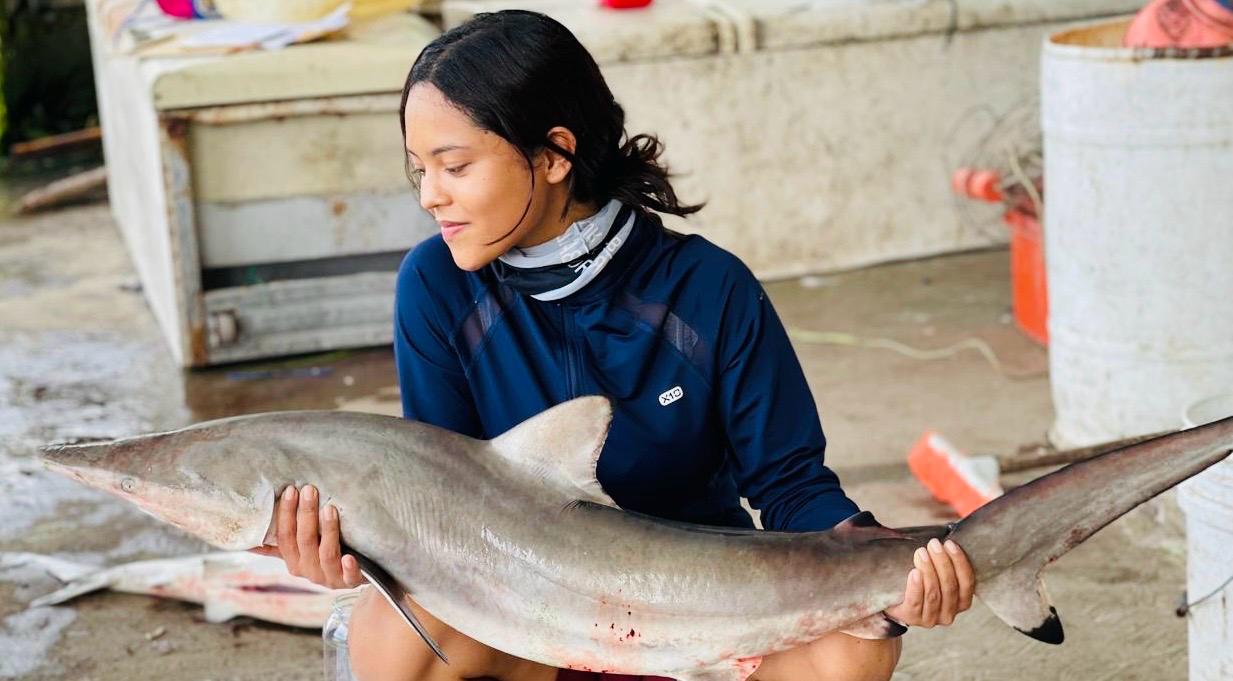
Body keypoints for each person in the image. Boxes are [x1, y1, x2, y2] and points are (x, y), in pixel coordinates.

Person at [264, 10, 975, 681]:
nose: (430, 196)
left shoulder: (707, 287)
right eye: (419, 169)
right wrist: (358, 552)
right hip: (525, 622)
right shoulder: (437, 286)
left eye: (455, 167)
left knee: (852, 653)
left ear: (553, 155)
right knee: (392, 642)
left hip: (698, 616)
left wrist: (894, 569)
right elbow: (434, 501)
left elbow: (791, 485)